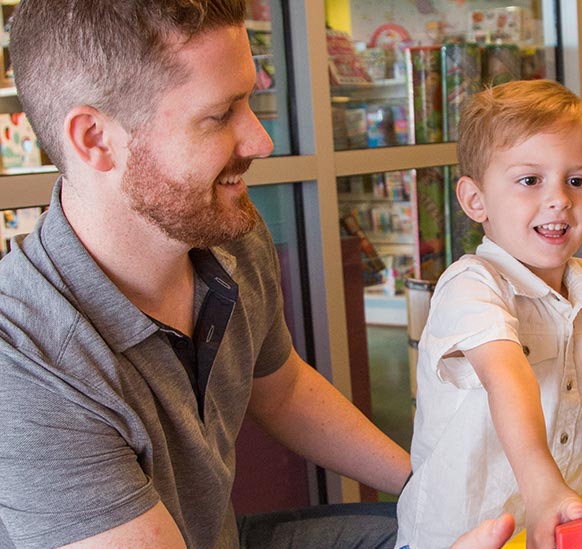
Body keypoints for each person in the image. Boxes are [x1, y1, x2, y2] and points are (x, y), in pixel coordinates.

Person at [0, 1, 418, 547]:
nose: (261, 141)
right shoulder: (24, 364)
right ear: (95, 139)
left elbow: (282, 388)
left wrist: (426, 487)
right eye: (221, 115)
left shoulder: (226, 236)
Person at [395, 79, 582, 549]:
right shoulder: (470, 285)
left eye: (577, 180)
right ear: (475, 201)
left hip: (568, 529)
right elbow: (506, 376)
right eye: (530, 180)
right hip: (465, 537)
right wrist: (542, 486)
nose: (559, 199)